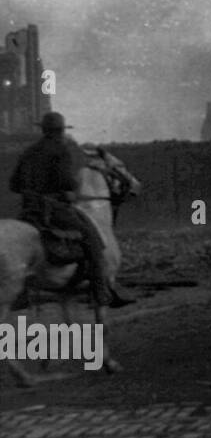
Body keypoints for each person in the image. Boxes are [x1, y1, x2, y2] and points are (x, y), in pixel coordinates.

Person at [9, 112, 133, 308]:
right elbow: (67, 181)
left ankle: (23, 293)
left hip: (28, 211)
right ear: (60, 131)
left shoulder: (28, 152)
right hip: (54, 210)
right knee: (93, 239)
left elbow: (14, 185)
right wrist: (69, 191)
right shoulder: (60, 150)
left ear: (43, 129)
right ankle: (102, 292)